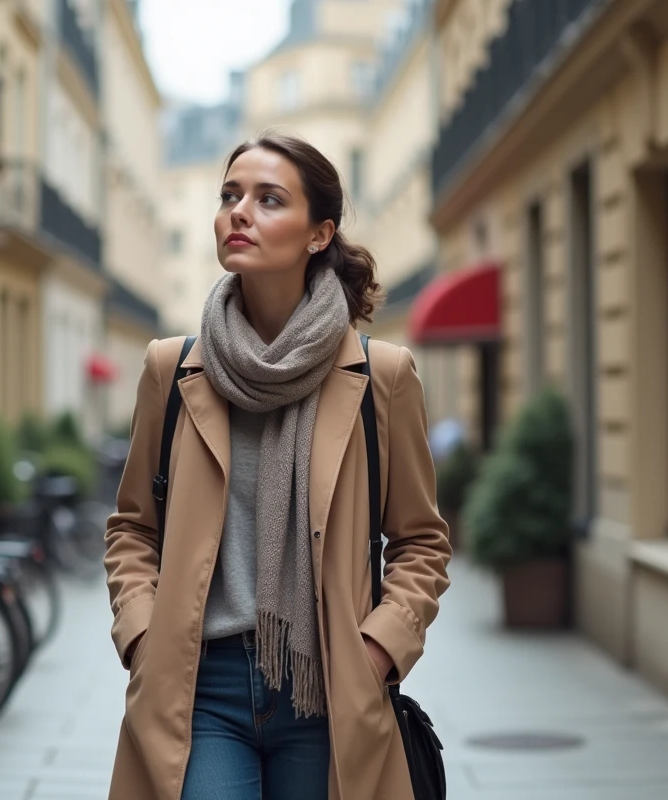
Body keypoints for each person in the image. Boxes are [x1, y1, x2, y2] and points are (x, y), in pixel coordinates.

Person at [103, 133, 452, 800]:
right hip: (198, 686)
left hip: (329, 687)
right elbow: (132, 529)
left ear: (319, 234)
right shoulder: (171, 371)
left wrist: (380, 648)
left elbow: (421, 542)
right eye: (230, 195)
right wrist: (142, 634)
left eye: (268, 199)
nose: (239, 212)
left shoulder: (380, 378)